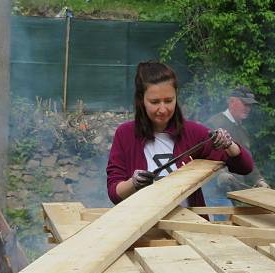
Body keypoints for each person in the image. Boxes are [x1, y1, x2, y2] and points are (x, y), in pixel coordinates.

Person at [106, 61, 253, 206]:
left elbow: (244, 167)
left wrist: (229, 145)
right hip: (144, 226)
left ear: (176, 97)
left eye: (169, 100)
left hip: (187, 225)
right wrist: (133, 183)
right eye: (155, 102)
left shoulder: (193, 133)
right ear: (141, 100)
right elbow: (114, 194)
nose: (163, 109)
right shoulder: (125, 134)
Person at [205, 85, 270, 195]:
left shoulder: (243, 131)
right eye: (245, 104)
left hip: (235, 194)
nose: (248, 108)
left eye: (250, 105)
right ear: (231, 102)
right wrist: (220, 174)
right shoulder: (214, 123)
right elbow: (204, 155)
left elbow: (246, 159)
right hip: (214, 194)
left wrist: (259, 180)